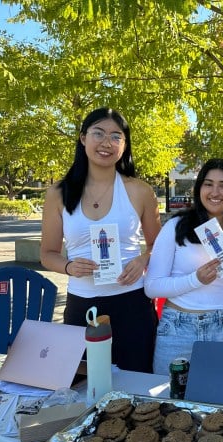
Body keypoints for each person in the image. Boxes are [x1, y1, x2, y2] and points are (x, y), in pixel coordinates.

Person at [40, 107, 162, 373]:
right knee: (84, 386)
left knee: (136, 385)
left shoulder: (139, 190)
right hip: (82, 305)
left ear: (124, 145)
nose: (107, 143)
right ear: (83, 138)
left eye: (116, 136)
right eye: (98, 133)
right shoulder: (58, 193)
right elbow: (47, 253)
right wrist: (69, 267)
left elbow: (158, 246)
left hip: (132, 303)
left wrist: (142, 259)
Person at [144, 158, 223, 375]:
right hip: (177, 329)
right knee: (169, 400)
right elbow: (152, 287)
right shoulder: (176, 227)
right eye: (208, 184)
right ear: (199, 188)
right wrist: (195, 279)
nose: (215, 192)